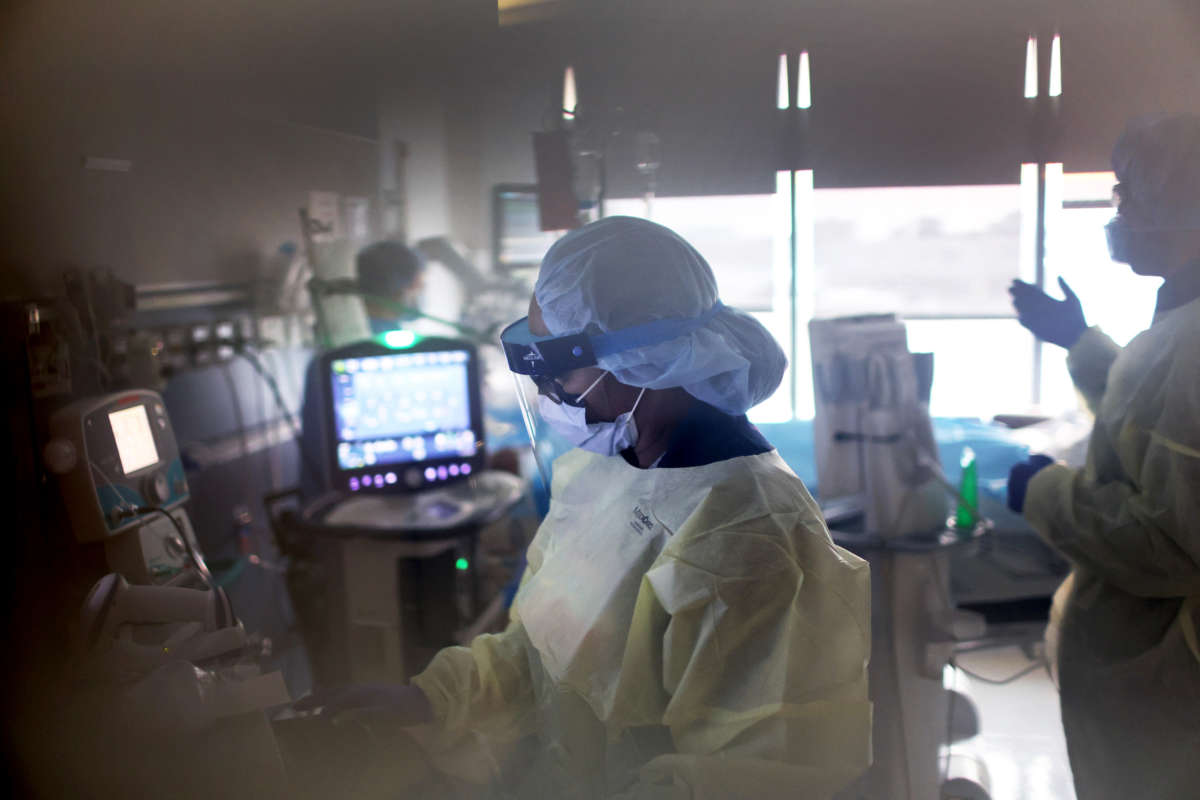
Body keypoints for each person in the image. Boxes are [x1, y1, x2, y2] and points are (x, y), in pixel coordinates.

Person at [296, 217, 873, 799]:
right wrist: (431, 700)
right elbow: (547, 651)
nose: (548, 393)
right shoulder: (608, 467)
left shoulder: (749, 536)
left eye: (559, 370)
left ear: (648, 358)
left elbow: (749, 777)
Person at [1006, 113, 1200, 799]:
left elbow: (1168, 543)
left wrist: (1042, 490)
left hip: (1168, 690)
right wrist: (1078, 339)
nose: (1119, 209)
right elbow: (1152, 422)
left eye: (1130, 191)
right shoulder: (1182, 328)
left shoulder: (1189, 344)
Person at [299, 240, 425, 496]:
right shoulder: (403, 355)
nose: (421, 290)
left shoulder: (329, 354)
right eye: (419, 283)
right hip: (371, 502)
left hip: (325, 502)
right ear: (404, 287)